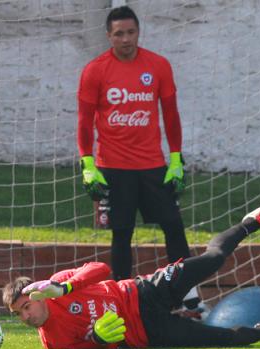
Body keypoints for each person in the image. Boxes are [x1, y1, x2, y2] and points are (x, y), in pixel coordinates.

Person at [2, 200, 260, 349]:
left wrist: (65, 287)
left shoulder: (60, 283)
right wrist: (97, 338)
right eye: (19, 314)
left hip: (144, 291)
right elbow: (86, 346)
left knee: (212, 260)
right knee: (226, 340)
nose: (26, 317)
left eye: (26, 306)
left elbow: (101, 269)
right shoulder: (51, 341)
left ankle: (251, 222)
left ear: (37, 294)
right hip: (148, 332)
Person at [76, 5, 202, 315]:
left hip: (152, 165)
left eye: (131, 32)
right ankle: (122, 298)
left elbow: (171, 115)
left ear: (138, 33)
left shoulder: (158, 66)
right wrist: (88, 164)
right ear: (109, 36)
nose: (126, 39)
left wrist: (175, 158)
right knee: (122, 233)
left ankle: (188, 295)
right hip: (113, 167)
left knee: (173, 226)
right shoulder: (95, 70)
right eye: (119, 33)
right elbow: (84, 121)